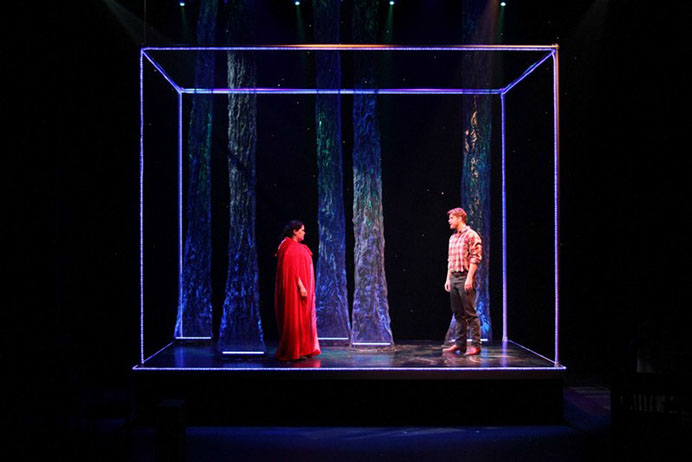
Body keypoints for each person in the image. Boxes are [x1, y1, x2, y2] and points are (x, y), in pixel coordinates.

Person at [274, 220, 321, 361]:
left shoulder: (296, 247)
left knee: (302, 319)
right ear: (295, 231)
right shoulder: (289, 247)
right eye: (302, 230)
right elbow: (292, 270)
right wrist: (301, 286)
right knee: (295, 317)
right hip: (295, 290)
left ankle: (302, 349)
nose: (304, 233)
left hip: (301, 289)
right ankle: (294, 350)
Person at [443, 208, 483, 356]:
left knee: (470, 313)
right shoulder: (452, 238)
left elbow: (475, 258)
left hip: (465, 276)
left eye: (452, 218)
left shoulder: (471, 235)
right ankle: (460, 344)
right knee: (458, 313)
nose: (449, 221)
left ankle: (476, 345)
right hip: (454, 277)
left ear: (460, 218)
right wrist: (448, 279)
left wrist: (469, 278)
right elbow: (450, 260)